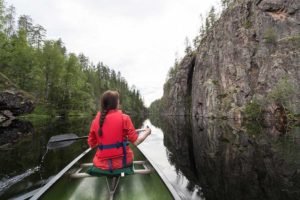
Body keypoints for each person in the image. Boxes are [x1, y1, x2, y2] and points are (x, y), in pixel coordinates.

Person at [87, 90, 151, 172]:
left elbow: (91, 144)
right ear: (115, 103)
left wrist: (105, 141)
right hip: (123, 163)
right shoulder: (125, 118)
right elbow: (136, 142)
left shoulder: (95, 121)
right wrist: (147, 132)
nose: (119, 103)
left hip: (101, 165)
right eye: (118, 101)